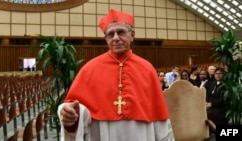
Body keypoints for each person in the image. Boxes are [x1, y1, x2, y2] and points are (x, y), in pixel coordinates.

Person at [57, 9, 174, 141]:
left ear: (132, 35)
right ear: (106, 39)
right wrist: (69, 112)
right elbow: (76, 108)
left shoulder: (147, 69)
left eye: (121, 32)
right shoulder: (90, 68)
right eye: (110, 34)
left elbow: (158, 115)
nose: (116, 38)